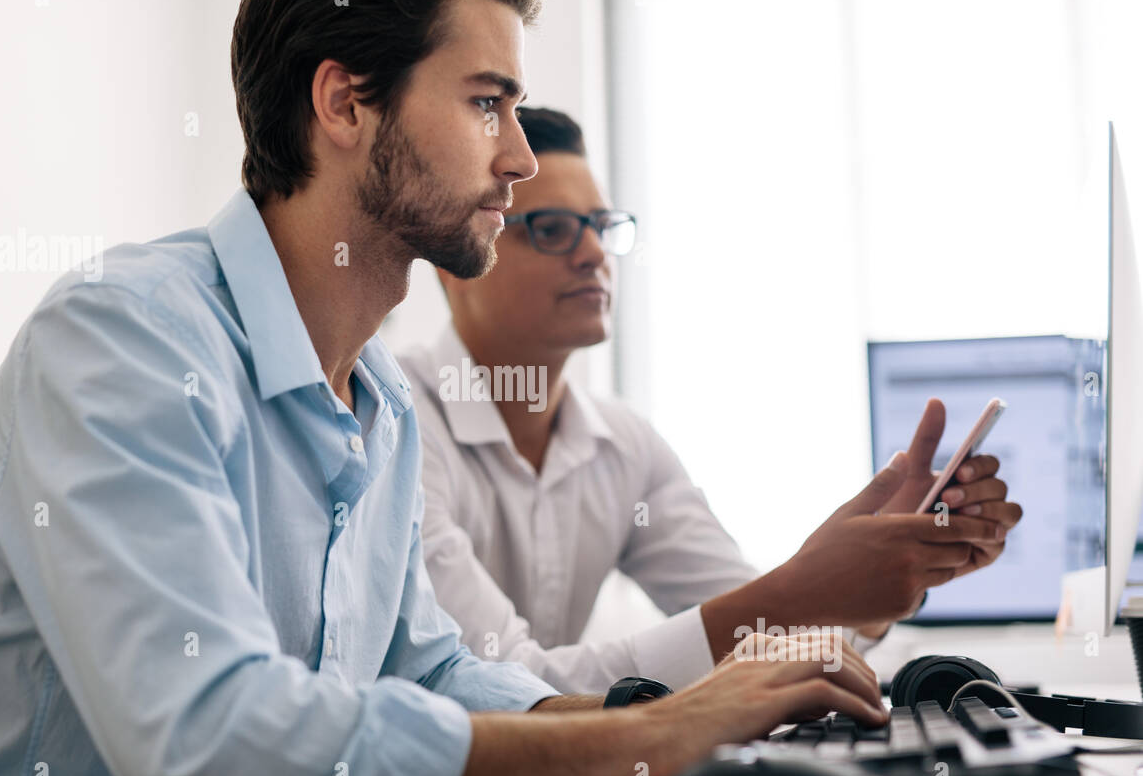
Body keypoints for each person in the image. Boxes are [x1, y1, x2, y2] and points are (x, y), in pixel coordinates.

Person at [0, 0, 894, 776]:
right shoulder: (123, 339)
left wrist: (692, 713)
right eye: (487, 104)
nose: (521, 158)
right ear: (345, 102)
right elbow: (209, 745)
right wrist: (646, 736)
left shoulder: (379, 402)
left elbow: (431, 670)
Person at [400, 106, 1022, 693]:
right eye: (555, 230)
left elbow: (760, 623)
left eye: (601, 228)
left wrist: (876, 581)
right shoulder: (398, 421)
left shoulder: (624, 446)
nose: (593, 255)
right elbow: (504, 687)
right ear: (458, 258)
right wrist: (801, 591)